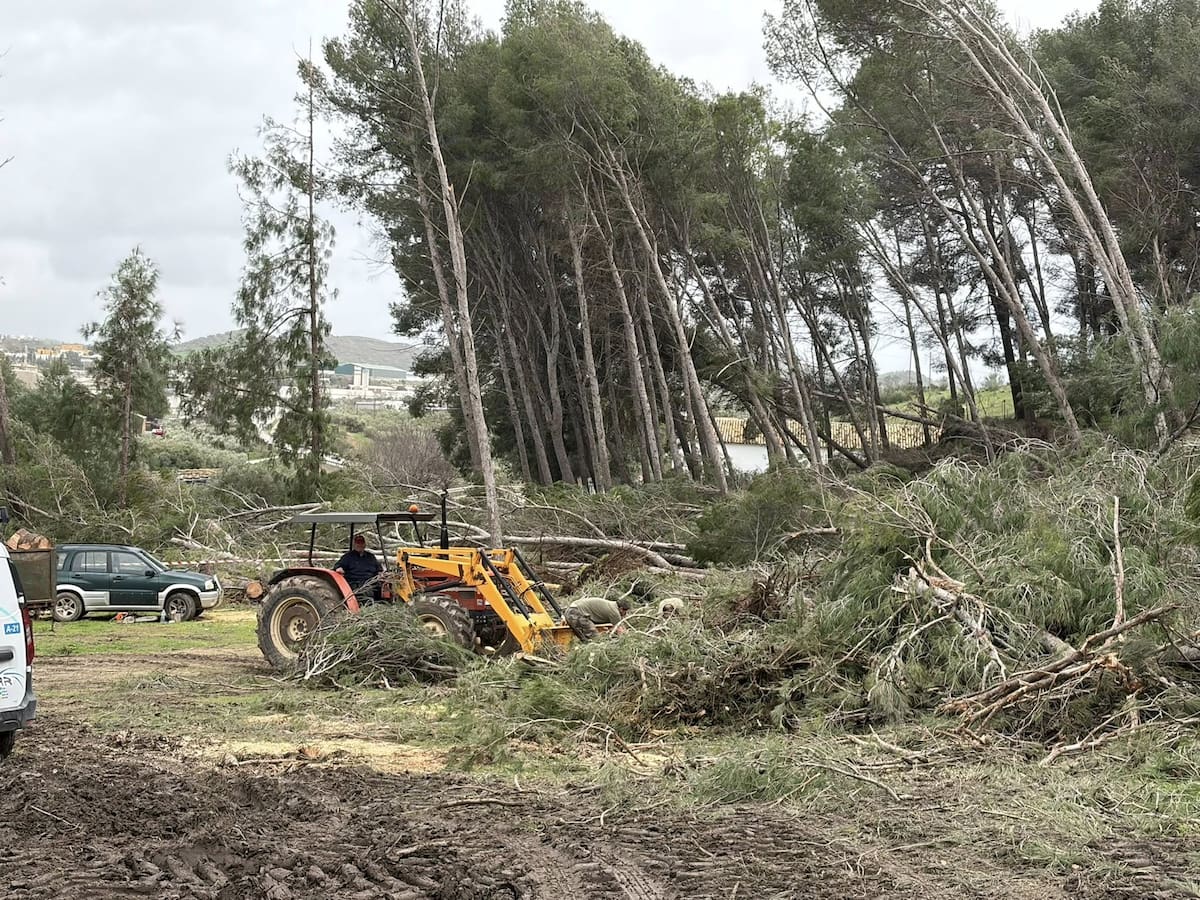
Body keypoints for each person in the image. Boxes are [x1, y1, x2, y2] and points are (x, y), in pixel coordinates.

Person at [565, 594, 632, 640]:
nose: (625, 614)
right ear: (621, 609)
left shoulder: (612, 604)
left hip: (571, 610)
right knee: (595, 638)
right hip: (576, 613)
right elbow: (620, 631)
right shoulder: (614, 612)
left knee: (585, 639)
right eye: (625, 611)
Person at [335, 534, 382, 600]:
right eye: (358, 543)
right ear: (354, 544)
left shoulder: (370, 557)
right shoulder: (348, 557)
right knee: (365, 592)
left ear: (364, 544)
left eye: (361, 543)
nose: (359, 545)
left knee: (382, 588)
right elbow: (338, 566)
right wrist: (339, 568)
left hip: (370, 582)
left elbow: (379, 569)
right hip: (354, 582)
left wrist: (381, 574)